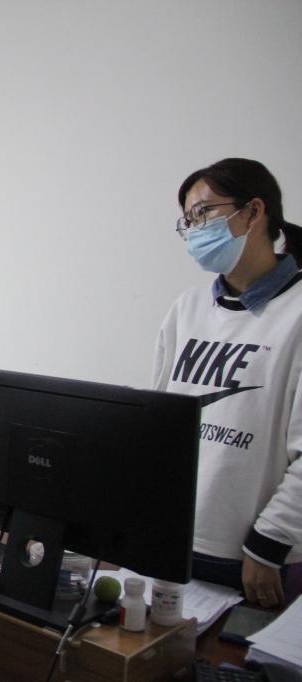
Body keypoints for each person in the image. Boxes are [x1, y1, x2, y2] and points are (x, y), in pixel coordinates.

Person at [153, 158, 302, 608]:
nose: (194, 230)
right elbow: (158, 422)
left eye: (203, 212)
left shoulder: (295, 313)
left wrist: (268, 543)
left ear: (253, 212)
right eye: (187, 221)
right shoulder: (187, 309)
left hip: (259, 559)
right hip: (178, 541)